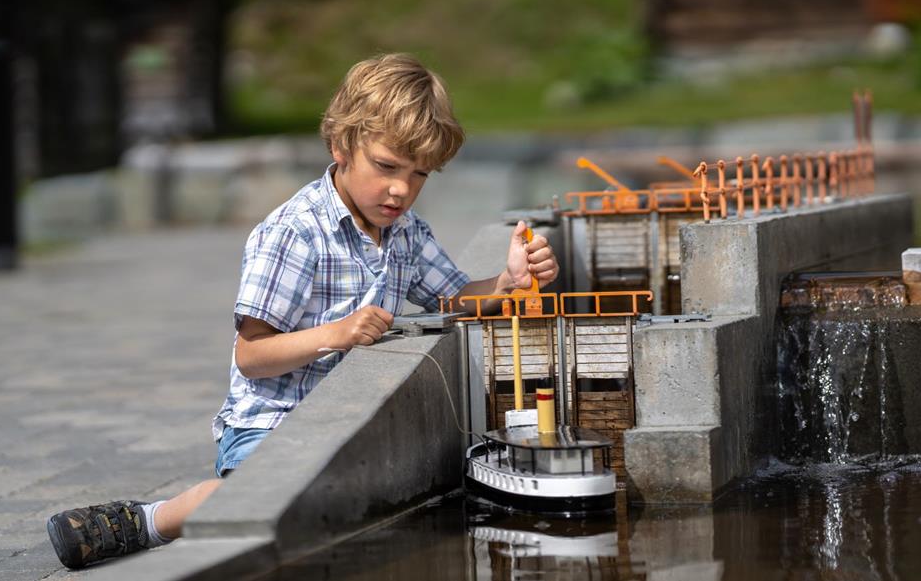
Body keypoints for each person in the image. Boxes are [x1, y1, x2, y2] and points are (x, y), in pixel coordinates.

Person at [45, 53, 559, 569]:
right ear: (341, 145)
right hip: (271, 424)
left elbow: (453, 298)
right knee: (269, 507)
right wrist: (335, 333)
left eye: (419, 174)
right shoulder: (295, 233)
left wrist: (507, 281)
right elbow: (252, 355)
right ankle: (151, 520)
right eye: (385, 167)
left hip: (344, 419)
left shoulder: (404, 230)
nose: (401, 189)